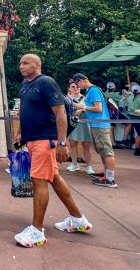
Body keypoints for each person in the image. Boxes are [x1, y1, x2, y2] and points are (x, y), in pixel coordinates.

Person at [14, 54, 92, 248]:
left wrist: (62, 143)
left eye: (26, 63)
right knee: (53, 177)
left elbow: (60, 113)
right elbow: (25, 110)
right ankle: (77, 219)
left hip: (45, 139)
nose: (21, 66)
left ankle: (37, 231)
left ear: (37, 65)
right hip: (33, 139)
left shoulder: (47, 82)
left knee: (39, 180)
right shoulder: (25, 85)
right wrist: (20, 132)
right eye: (20, 63)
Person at [72, 73, 117, 188]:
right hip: (97, 124)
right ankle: (106, 173)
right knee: (101, 150)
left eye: (76, 83)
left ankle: (110, 179)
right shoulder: (92, 90)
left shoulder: (93, 90)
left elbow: (98, 108)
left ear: (81, 80)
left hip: (100, 124)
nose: (77, 86)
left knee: (106, 151)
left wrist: (82, 107)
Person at [65, 82, 95, 175]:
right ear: (69, 89)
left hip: (85, 123)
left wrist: (82, 110)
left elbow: (91, 109)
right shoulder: (67, 99)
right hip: (72, 123)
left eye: (77, 86)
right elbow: (65, 111)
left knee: (86, 145)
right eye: (73, 87)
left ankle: (89, 166)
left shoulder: (85, 98)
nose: (75, 88)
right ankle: (74, 164)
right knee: (72, 143)